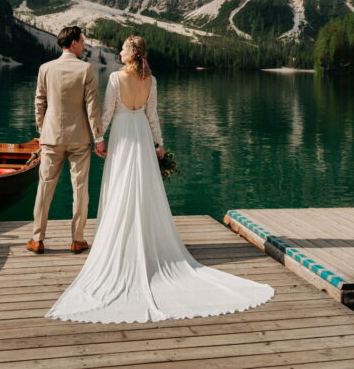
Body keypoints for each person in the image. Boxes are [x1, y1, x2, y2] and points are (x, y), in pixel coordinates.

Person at [46, 34, 274, 323]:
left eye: (122, 48)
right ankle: (148, 240)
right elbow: (153, 115)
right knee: (145, 189)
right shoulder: (151, 81)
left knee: (120, 188)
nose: (118, 50)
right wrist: (159, 144)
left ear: (129, 53)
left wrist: (99, 139)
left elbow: (106, 113)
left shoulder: (116, 79)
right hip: (141, 134)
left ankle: (119, 242)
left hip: (123, 136)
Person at [29, 25, 102, 255]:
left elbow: (39, 102)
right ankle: (77, 239)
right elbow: (92, 108)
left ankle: (37, 239)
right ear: (73, 43)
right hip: (79, 138)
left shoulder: (45, 68)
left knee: (45, 187)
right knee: (80, 189)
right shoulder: (86, 69)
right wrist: (98, 136)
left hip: (50, 137)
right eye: (82, 41)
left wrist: (43, 130)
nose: (84, 45)